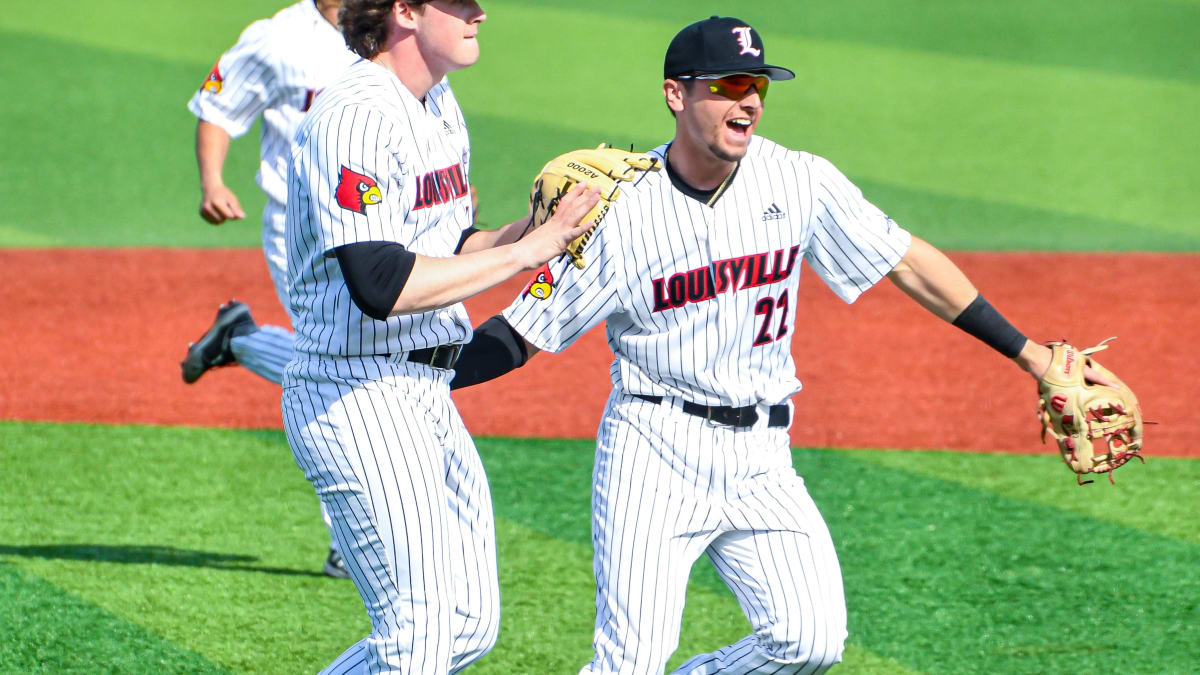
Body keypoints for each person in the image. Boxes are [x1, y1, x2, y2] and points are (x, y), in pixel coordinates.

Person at [449, 15, 1121, 674]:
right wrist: (413, 382)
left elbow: (907, 261)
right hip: (653, 451)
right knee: (631, 661)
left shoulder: (800, 180)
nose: (748, 102)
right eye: (730, 85)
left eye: (759, 87)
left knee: (809, 640)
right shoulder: (622, 210)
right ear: (676, 94)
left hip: (763, 456)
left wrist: (1032, 354)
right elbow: (518, 335)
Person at [279, 1, 601, 672]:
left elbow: (446, 244)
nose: (480, 12)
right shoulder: (354, 117)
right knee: (418, 636)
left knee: (466, 625)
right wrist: (525, 251)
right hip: (355, 390)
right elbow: (381, 285)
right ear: (403, 11)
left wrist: (542, 231)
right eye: (459, 2)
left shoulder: (438, 102)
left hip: (425, 389)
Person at [179, 0, 358, 579]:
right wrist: (212, 180)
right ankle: (349, 541)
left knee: (363, 368)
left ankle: (244, 341)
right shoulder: (279, 39)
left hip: (378, 226)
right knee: (346, 374)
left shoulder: (394, 28)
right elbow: (218, 104)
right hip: (299, 227)